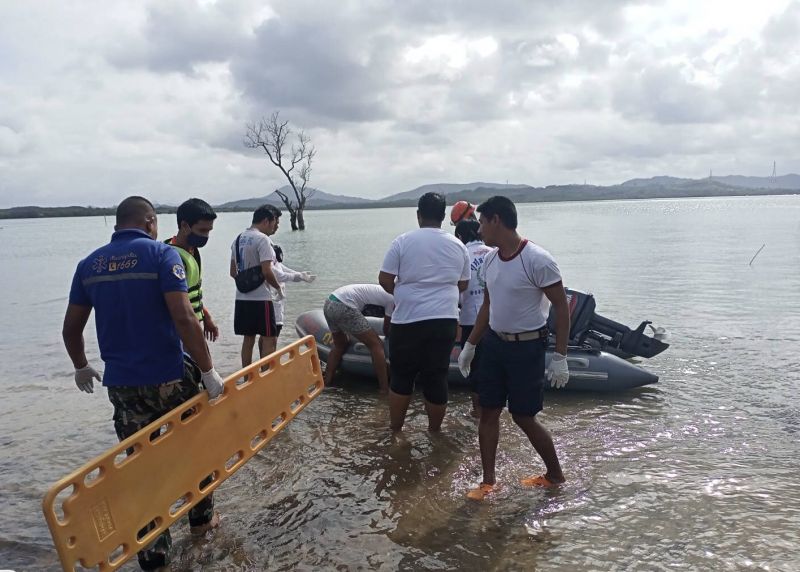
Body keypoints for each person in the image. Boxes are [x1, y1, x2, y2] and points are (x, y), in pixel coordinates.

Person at [62, 196, 226, 570]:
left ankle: (153, 554)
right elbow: (185, 319)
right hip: (169, 376)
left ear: (117, 225)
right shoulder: (161, 256)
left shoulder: (89, 264)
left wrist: (81, 366)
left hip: (122, 385)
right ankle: (201, 524)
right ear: (151, 222)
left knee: (140, 467)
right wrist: (208, 370)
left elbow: (71, 328)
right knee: (193, 449)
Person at [457, 196, 571, 501]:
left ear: (496, 220)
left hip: (528, 347)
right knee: (488, 412)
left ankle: (555, 475)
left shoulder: (537, 259)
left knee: (523, 417)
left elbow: (561, 306)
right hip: (495, 344)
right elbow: (488, 306)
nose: (479, 228)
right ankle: (488, 482)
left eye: (481, 222)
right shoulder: (492, 260)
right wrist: (470, 345)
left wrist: (560, 356)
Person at [379, 192, 470, 432]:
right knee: (437, 377)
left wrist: (402, 293)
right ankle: (434, 432)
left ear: (418, 215)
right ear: (442, 216)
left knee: (401, 377)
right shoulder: (458, 246)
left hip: (408, 319)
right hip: (444, 320)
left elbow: (385, 279)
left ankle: (396, 431)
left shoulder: (402, 241)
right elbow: (463, 284)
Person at [229, 204, 282, 367]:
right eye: (274, 222)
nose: (275, 227)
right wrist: (278, 288)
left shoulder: (237, 239)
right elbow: (267, 271)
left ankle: (246, 377)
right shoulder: (263, 240)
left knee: (248, 339)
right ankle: (266, 375)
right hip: (261, 299)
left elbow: (232, 272)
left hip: (242, 297)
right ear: (266, 220)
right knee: (268, 338)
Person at [165, 198, 219, 342]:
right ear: (184, 225)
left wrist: (205, 316)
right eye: (202, 230)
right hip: (179, 333)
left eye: (209, 231)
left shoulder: (192, 251)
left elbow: (189, 293)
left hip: (193, 326)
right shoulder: (171, 259)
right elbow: (178, 306)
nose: (206, 236)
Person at [323, 284, 394, 392]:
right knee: (376, 344)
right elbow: (386, 328)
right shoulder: (393, 298)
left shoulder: (383, 291)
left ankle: (327, 383)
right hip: (344, 305)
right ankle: (384, 389)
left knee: (340, 344)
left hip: (330, 302)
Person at [454, 219, 493, 416]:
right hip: (496, 319)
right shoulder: (492, 252)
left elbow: (458, 292)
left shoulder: (461, 255)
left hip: (471, 319)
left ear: (460, 236)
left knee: (473, 367)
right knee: (494, 365)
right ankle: (493, 408)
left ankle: (477, 410)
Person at [270, 244, 316, 339]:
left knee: (271, 335)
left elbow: (288, 271)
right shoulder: (268, 265)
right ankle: (269, 353)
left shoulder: (277, 263)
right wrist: (299, 276)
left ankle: (267, 354)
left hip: (278, 305)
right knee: (271, 336)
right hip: (273, 304)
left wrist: (302, 276)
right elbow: (280, 275)